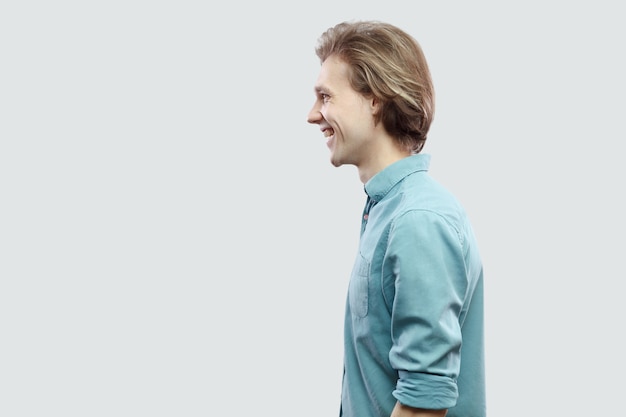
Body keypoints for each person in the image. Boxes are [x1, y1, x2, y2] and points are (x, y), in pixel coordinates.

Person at [306, 20, 486, 417]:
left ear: (374, 98)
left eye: (325, 97)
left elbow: (424, 405)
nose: (312, 114)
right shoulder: (388, 211)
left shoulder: (417, 221)